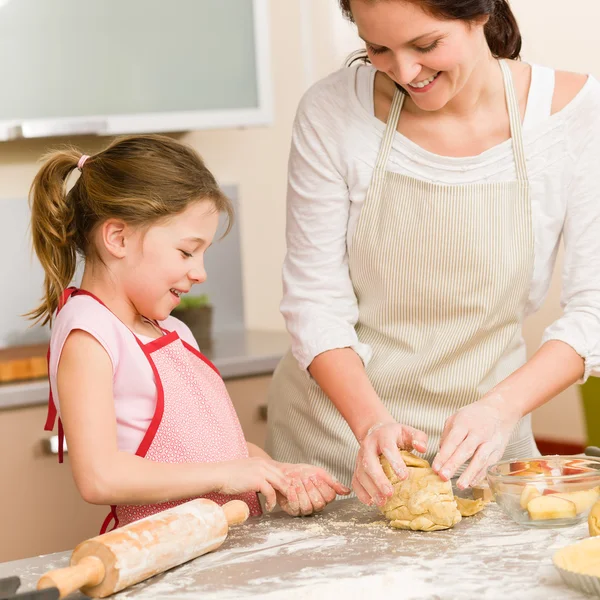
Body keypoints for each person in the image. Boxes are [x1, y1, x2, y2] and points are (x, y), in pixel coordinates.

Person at [266, 0, 600, 509]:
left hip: (486, 445)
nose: (405, 72)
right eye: (377, 48)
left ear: (480, 14)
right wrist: (371, 424)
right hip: (335, 446)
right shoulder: (332, 111)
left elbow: (593, 311)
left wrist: (500, 410)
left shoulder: (575, 115)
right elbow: (315, 303)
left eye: (426, 46)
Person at [29, 135, 349, 532]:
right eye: (186, 252)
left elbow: (210, 451)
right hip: (164, 556)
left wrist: (271, 471)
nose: (200, 272)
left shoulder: (172, 330)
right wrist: (225, 476)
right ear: (117, 238)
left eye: (203, 253)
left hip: (221, 546)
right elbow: (100, 476)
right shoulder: (89, 334)